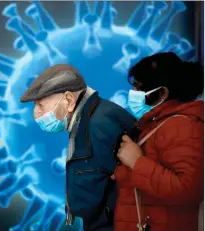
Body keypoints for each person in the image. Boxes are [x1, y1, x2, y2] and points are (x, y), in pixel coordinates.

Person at [20, 64, 137, 231]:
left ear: (68, 100)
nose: (36, 113)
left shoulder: (97, 124)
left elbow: (114, 186)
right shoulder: (91, 117)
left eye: (40, 105)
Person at [112, 52, 204, 231]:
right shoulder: (154, 124)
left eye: (139, 88)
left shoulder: (182, 125)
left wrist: (137, 162)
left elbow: (187, 190)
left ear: (162, 93)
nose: (134, 94)